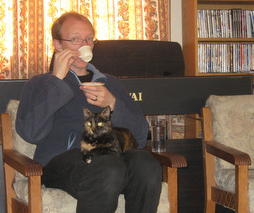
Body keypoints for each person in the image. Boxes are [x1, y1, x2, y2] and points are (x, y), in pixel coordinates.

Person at [16, 11, 162, 213]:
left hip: (110, 158)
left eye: (88, 39)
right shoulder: (41, 83)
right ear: (58, 45)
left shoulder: (110, 83)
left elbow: (139, 136)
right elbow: (31, 132)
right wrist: (57, 80)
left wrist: (112, 104)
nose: (84, 45)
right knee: (108, 167)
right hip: (63, 162)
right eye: (75, 39)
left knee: (146, 164)